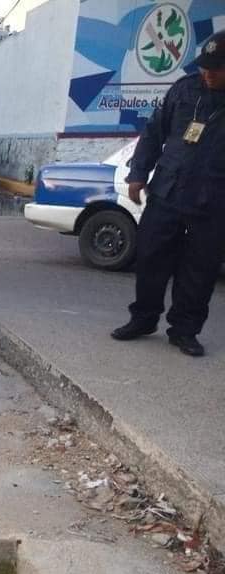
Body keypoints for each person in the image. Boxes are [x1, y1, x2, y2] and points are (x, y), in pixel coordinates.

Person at [111, 30, 225, 357]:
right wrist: (137, 174)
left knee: (199, 271)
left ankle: (185, 331)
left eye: (217, 68)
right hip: (167, 193)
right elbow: (152, 133)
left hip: (212, 203)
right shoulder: (184, 90)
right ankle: (143, 319)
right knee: (150, 260)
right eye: (206, 66)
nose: (209, 73)